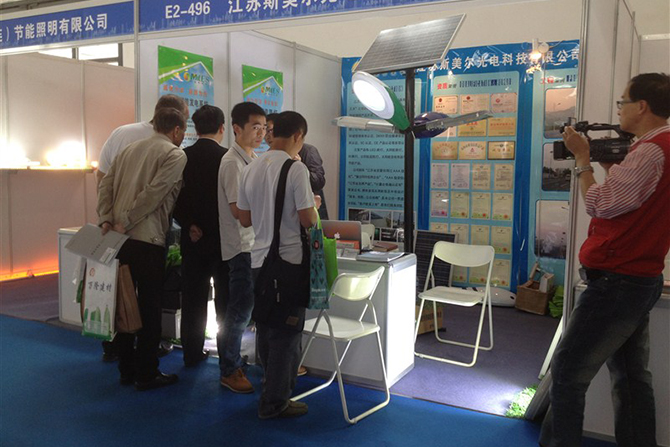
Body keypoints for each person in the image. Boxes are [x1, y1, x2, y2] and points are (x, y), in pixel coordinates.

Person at [539, 73, 670, 447]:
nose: (619, 110)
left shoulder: (650, 151)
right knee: (631, 376)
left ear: (641, 106)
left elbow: (600, 204)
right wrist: (612, 166)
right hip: (640, 278)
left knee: (568, 372)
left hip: (616, 280)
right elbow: (632, 199)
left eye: (622, 102)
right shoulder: (658, 147)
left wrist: (583, 159)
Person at [97, 107, 188, 391]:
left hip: (118, 239)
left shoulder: (129, 149)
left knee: (124, 302)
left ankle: (126, 368)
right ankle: (147, 372)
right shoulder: (174, 154)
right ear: (176, 130)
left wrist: (106, 218)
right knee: (149, 307)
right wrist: (126, 221)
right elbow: (155, 193)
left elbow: (105, 185)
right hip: (147, 239)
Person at [238, 111, 320, 419]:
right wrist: (313, 207)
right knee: (286, 334)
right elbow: (308, 219)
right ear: (298, 136)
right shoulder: (295, 169)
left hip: (258, 260)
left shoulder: (251, 167)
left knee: (265, 328)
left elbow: (244, 218)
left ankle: (270, 391)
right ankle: (275, 402)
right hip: (288, 263)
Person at [173, 105, 229, 367]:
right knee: (225, 301)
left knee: (193, 298)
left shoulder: (182, 157)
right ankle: (227, 354)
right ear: (222, 128)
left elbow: (173, 196)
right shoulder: (227, 158)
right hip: (222, 240)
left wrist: (189, 224)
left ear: (194, 128)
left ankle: (192, 353)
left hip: (192, 238)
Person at [216, 102, 265, 393]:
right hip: (241, 245)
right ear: (236, 128)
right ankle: (229, 368)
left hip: (255, 245)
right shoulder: (232, 163)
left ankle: (238, 362)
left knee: (248, 309)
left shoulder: (253, 158)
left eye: (264, 127)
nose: (261, 133)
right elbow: (238, 211)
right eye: (255, 127)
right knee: (239, 311)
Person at [266, 113, 329, 219]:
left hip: (312, 209)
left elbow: (319, 182)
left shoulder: (308, 151)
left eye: (271, 130)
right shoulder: (267, 158)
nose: (268, 135)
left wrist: (301, 167)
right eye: (266, 131)